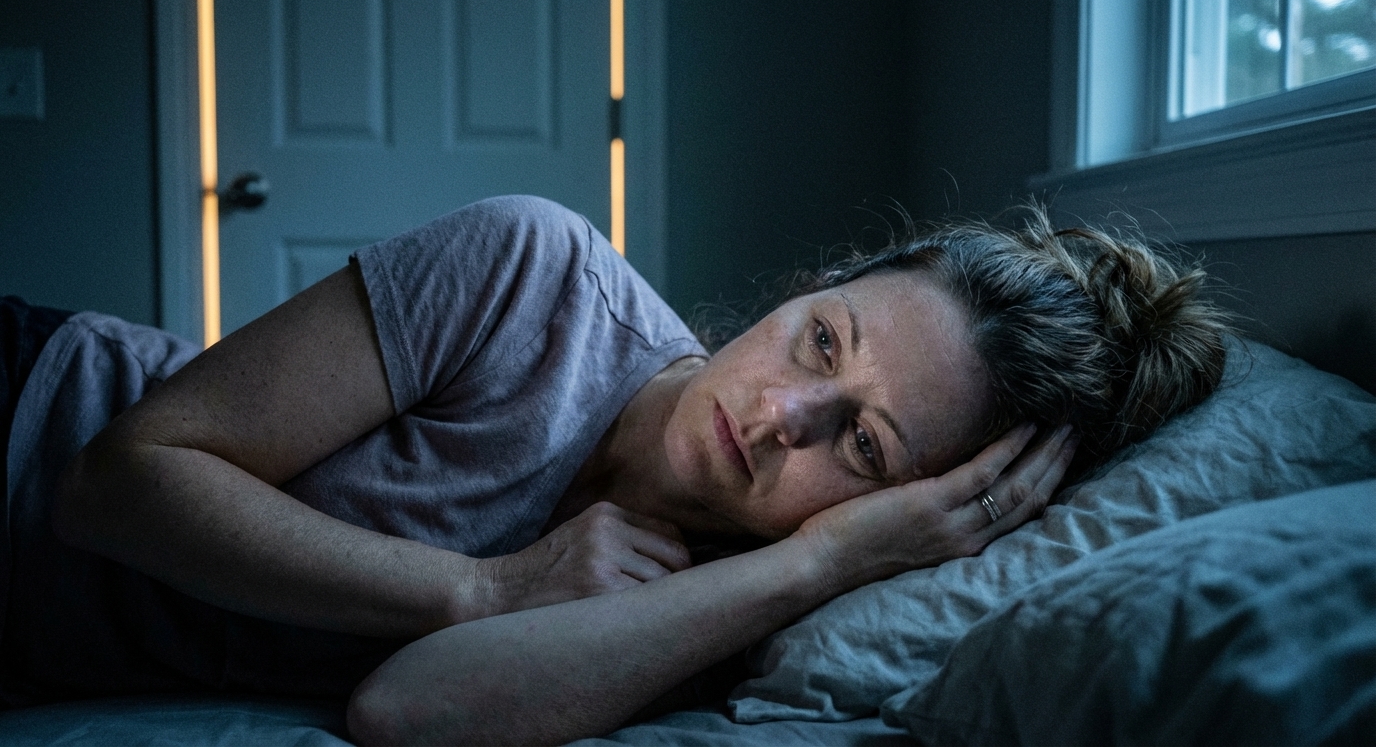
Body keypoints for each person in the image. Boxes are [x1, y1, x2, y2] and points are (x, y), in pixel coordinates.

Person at [0, 196, 1227, 743]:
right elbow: (117, 483)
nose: (780, 415)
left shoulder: (712, 604)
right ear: (818, 285)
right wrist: (483, 589)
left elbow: (403, 715)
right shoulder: (533, 277)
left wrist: (812, 566)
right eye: (820, 339)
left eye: (859, 446)